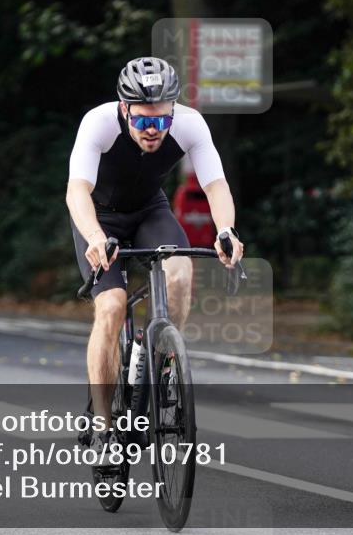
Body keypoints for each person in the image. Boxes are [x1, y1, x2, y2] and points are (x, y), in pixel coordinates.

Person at [66, 56, 244, 453]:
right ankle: (102, 426)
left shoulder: (190, 123)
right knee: (111, 306)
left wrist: (226, 230)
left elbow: (216, 185)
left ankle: (161, 360)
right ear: (124, 109)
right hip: (100, 219)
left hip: (150, 211)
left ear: (173, 112)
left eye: (161, 121)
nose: (152, 130)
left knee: (180, 274)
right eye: (143, 121)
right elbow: (76, 189)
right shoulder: (98, 123)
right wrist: (95, 236)